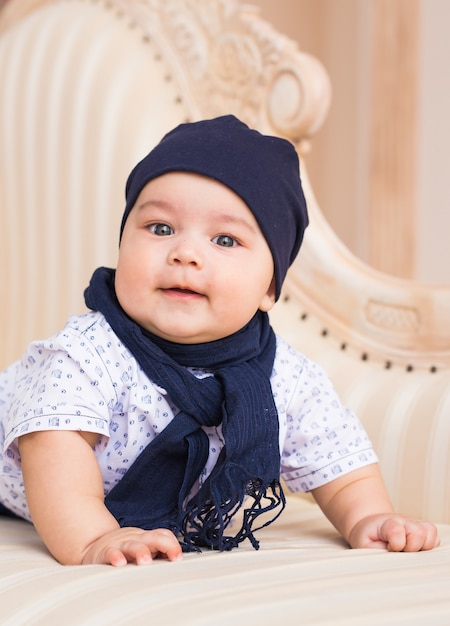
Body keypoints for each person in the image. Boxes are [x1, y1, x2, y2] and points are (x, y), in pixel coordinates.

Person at [0, 115, 439, 566]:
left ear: (270, 288)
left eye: (225, 239)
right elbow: (54, 458)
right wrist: (94, 539)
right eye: (160, 228)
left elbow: (339, 464)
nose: (185, 253)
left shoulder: (286, 379)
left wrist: (370, 517)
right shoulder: (85, 354)